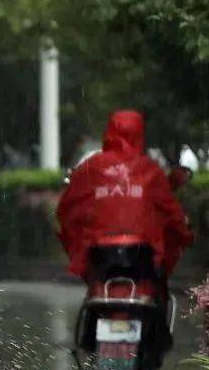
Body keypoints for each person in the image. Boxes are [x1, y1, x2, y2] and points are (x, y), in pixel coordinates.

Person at [58, 111, 192, 282]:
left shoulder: (90, 168)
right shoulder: (150, 169)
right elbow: (173, 215)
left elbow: (66, 210)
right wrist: (183, 233)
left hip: (99, 257)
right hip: (142, 257)